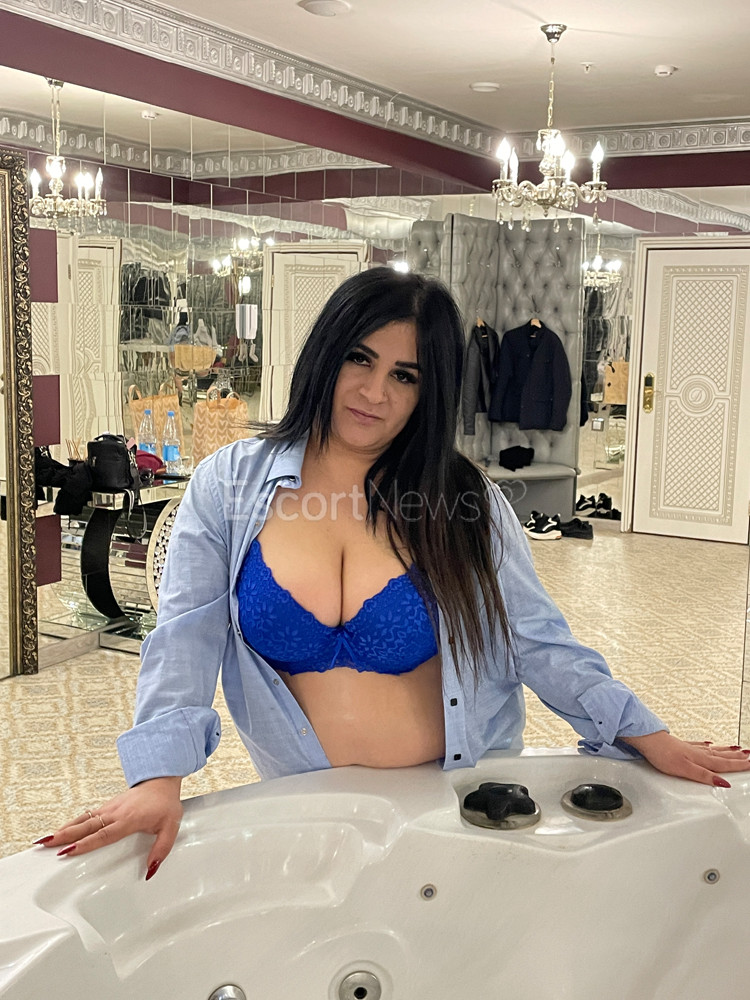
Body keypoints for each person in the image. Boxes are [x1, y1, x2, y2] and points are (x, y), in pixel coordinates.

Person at [38, 268, 750, 879]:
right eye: (360, 358)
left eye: (405, 376)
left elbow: (536, 640)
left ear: (427, 392)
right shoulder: (229, 486)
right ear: (326, 354)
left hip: (460, 807)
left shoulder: (463, 499)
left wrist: (645, 733)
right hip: (311, 813)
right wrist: (158, 778)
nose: (374, 392)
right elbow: (185, 639)